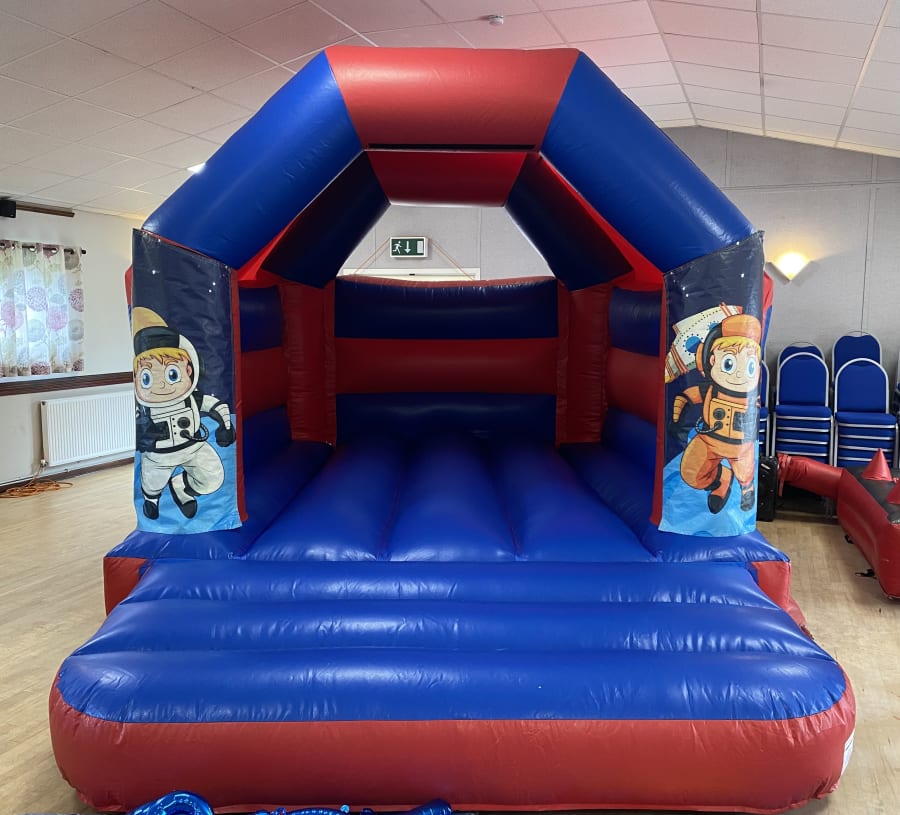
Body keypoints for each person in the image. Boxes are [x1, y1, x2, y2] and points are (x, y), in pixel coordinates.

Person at [132, 307, 234, 520]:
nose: (161, 386)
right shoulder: (146, 410)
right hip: (159, 456)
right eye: (147, 377)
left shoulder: (191, 400)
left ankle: (182, 486)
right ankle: (152, 500)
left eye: (172, 374)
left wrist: (225, 426)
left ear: (189, 370)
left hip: (193, 447)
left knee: (213, 477)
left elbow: (217, 406)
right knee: (152, 481)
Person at [671, 313, 761, 514]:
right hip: (709, 440)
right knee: (691, 473)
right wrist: (677, 419)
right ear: (710, 360)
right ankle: (721, 479)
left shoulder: (751, 398)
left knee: (745, 475)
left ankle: (747, 488)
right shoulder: (710, 391)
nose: (739, 374)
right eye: (729, 363)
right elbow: (687, 396)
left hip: (740, 447)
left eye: (749, 366)